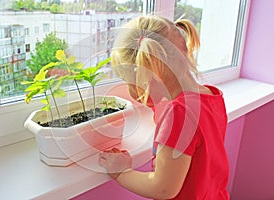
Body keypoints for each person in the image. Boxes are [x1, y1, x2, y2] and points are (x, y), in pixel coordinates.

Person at [99, 15, 230, 200]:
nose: (130, 89)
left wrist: (121, 172)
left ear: (151, 71)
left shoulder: (179, 113)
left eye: (128, 80)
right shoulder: (210, 96)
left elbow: (163, 188)